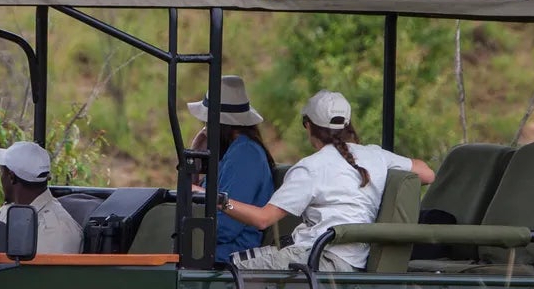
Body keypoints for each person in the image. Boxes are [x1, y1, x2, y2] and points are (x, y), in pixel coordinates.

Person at [218, 91, 435, 271]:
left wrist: (219, 201)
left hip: (320, 258)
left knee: (224, 267)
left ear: (308, 126)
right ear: (348, 125)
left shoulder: (311, 168)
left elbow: (263, 219)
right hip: (352, 260)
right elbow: (427, 174)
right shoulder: (375, 156)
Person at [186, 75, 277, 265]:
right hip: (215, 248)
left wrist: (184, 234)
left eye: (207, 123)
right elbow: (194, 198)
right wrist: (195, 157)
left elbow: (227, 227)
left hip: (230, 253)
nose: (204, 129)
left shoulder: (245, 155)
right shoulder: (232, 153)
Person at [0, 140, 82, 255]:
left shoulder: (58, 230)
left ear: (11, 177)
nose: (1, 179)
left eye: (2, 173)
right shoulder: (8, 210)